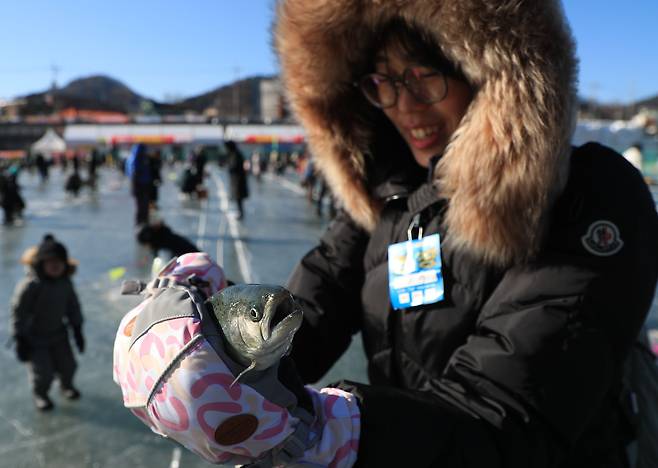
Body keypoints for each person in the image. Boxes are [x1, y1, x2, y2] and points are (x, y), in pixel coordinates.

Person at [111, 2, 658, 467]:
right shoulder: (388, 197)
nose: (406, 106)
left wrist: (329, 430)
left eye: (426, 74)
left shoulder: (589, 193)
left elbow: (512, 416)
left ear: (493, 76)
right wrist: (225, 343)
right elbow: (310, 310)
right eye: (384, 82)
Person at [10, 234, 85, 411]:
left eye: (59, 261)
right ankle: (40, 394)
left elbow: (73, 306)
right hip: (35, 338)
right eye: (50, 262)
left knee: (69, 366)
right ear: (40, 264)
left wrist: (77, 329)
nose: (55, 265)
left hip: (59, 334)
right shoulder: (30, 286)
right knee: (43, 374)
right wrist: (20, 338)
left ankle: (66, 385)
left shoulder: (65, 283)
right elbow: (18, 313)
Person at [125, 143, 153, 225]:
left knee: (141, 206)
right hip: (141, 186)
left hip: (140, 185)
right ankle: (142, 224)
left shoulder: (133, 158)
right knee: (142, 206)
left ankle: (141, 223)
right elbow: (134, 173)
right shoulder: (138, 159)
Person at [225, 140, 249, 219]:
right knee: (238, 198)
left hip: (238, 180)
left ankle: (240, 213)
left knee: (239, 197)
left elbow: (234, 166)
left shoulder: (236, 154)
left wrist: (229, 167)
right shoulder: (235, 153)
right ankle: (240, 212)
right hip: (237, 179)